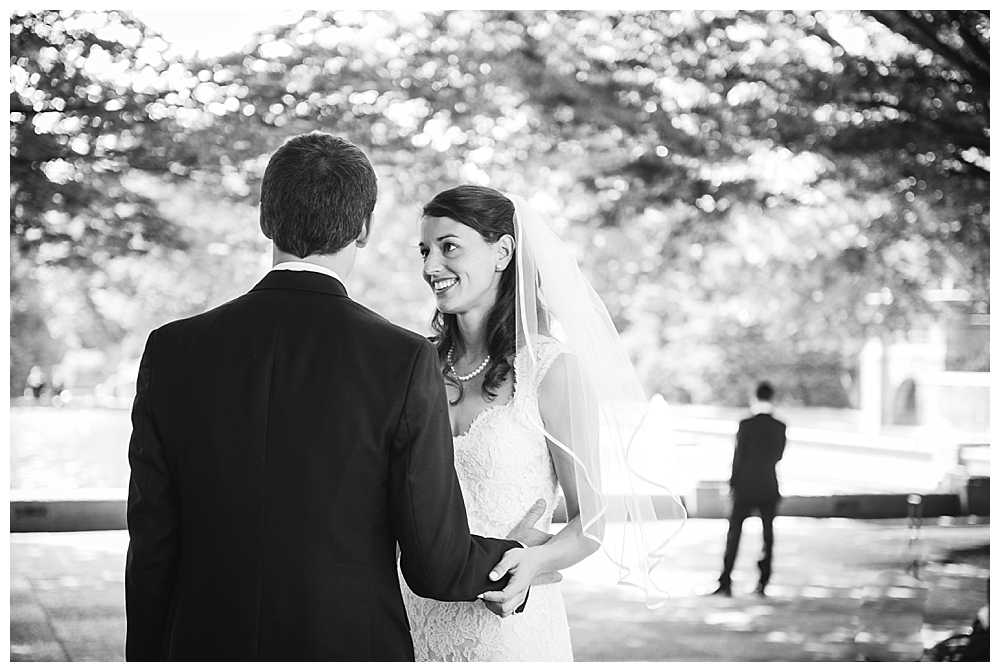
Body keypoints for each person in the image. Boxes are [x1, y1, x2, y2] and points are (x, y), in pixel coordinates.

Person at [125, 133, 544, 662]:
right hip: (347, 646)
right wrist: (516, 557)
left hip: (201, 645)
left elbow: (151, 545)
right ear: (364, 228)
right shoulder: (401, 359)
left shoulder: (172, 351)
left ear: (264, 219)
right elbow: (435, 562)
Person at [401, 185, 686, 661]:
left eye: (449, 247)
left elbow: (592, 521)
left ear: (503, 252)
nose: (431, 266)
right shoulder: (417, 366)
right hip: (413, 619)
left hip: (511, 626)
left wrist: (534, 561)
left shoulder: (552, 372)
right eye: (425, 250)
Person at [711, 381, 787, 597]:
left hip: (745, 487)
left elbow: (739, 458)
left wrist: (732, 484)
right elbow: (778, 457)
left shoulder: (745, 424)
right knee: (768, 536)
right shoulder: (780, 426)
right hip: (768, 485)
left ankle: (725, 582)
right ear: (772, 398)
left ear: (754, 397)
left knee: (734, 535)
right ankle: (763, 582)